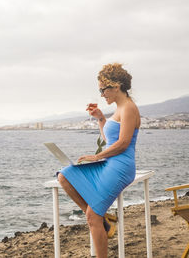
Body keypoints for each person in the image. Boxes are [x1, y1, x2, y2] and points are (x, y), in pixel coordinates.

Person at [57, 63, 141, 258]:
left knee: (91, 217)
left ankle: (98, 219)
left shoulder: (129, 107)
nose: (102, 94)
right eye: (100, 90)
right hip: (110, 162)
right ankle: (102, 219)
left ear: (117, 86)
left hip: (121, 166)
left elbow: (122, 144)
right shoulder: (119, 107)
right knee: (64, 176)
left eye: (103, 89)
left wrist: (97, 156)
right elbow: (108, 140)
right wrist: (100, 118)